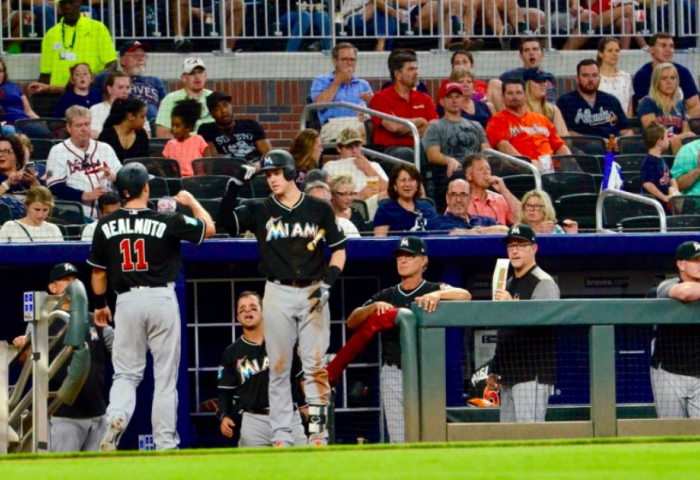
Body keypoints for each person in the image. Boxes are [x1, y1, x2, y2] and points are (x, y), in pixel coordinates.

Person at [217, 149, 347, 447]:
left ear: (290, 173)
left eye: (276, 173)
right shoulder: (261, 208)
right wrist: (236, 183)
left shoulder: (318, 208)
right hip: (276, 291)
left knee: (315, 367)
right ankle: (280, 435)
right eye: (268, 175)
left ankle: (317, 433)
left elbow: (339, 249)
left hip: (314, 289)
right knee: (278, 366)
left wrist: (328, 283)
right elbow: (224, 221)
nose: (272, 179)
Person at [89, 162, 216, 451]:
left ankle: (117, 416)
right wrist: (192, 201)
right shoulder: (165, 219)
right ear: (146, 187)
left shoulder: (105, 224)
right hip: (160, 297)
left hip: (126, 300)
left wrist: (99, 305)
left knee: (126, 374)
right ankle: (164, 444)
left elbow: (98, 273)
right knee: (165, 378)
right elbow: (209, 229)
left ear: (120, 192)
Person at [346, 235, 471, 443]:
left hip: (427, 374)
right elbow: (352, 321)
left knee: (430, 433)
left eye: (409, 256)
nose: (402, 260)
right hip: (394, 371)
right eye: (400, 256)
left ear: (424, 261)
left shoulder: (432, 288)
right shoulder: (388, 294)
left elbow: (465, 295)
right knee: (399, 437)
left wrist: (440, 295)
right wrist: (371, 309)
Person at [11, 263, 112, 452]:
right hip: (63, 416)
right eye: (65, 280)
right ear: (52, 287)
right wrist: (24, 346)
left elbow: (121, 350)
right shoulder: (43, 322)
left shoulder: (94, 319)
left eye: (74, 280)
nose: (71, 284)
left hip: (97, 415)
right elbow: (27, 364)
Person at [217, 291, 308, 447]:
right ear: (238, 318)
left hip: (287, 415)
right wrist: (224, 416)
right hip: (254, 420)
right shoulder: (231, 352)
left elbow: (300, 378)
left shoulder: (284, 341)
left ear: (263, 313)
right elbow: (225, 390)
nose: (247, 311)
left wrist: (305, 406)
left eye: (253, 307)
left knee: (301, 467)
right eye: (242, 309)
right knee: (253, 470)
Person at [493, 224, 560, 423]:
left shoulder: (543, 282)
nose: (514, 250)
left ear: (533, 249)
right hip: (509, 374)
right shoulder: (510, 284)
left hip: (532, 374)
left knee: (530, 438)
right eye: (511, 246)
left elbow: (544, 323)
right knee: (508, 445)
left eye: (520, 245)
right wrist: (496, 368)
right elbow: (504, 330)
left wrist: (512, 306)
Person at [651, 241, 700, 419]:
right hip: (669, 373)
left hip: (699, 375)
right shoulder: (666, 285)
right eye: (695, 260)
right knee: (672, 433)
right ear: (681, 264)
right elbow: (685, 293)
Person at [46, 106, 122, 219]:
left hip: (108, 212)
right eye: (79, 125)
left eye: (87, 124)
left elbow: (122, 176)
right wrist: (84, 195)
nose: (84, 129)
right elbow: (55, 186)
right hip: (76, 213)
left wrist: (115, 177)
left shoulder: (104, 148)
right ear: (69, 128)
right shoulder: (58, 151)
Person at [424, 82, 489, 212]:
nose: (454, 100)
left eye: (458, 96)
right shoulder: (435, 127)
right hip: (449, 172)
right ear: (442, 101)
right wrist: (449, 160)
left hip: (476, 169)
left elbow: (487, 151)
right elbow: (432, 155)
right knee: (460, 173)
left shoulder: (476, 126)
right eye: (449, 97)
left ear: (463, 99)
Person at [28, 0, 117, 94]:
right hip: (59, 95)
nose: (67, 7)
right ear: (59, 7)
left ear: (80, 3)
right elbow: (46, 73)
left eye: (71, 2)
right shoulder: (51, 34)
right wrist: (39, 92)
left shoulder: (98, 28)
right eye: (63, 3)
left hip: (89, 93)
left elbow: (112, 64)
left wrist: (94, 78)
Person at [369, 50, 438, 163]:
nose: (416, 73)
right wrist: (421, 121)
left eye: (416, 69)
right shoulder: (380, 98)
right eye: (411, 69)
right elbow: (394, 127)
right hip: (391, 151)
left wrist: (404, 129)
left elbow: (434, 130)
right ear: (398, 74)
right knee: (407, 154)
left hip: (420, 147)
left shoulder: (424, 98)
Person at [486, 78, 571, 162]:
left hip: (551, 170)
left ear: (525, 96)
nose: (515, 97)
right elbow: (504, 147)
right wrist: (529, 164)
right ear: (502, 97)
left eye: (519, 93)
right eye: (510, 93)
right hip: (522, 171)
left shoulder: (542, 119)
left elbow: (560, 146)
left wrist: (572, 164)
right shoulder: (497, 120)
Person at [310, 42, 373, 143]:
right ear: (335, 62)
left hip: (361, 123)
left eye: (352, 60)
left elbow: (375, 114)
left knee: (369, 129)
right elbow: (319, 105)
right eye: (344, 59)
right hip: (334, 125)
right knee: (361, 132)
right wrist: (338, 81)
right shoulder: (321, 80)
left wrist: (372, 102)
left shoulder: (363, 84)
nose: (349, 63)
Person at [557, 59, 632, 140]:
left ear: (599, 78)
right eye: (585, 75)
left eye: (594, 75)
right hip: (586, 149)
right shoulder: (565, 102)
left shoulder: (611, 100)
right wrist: (600, 142)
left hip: (614, 149)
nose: (590, 79)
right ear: (577, 79)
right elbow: (568, 133)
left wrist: (620, 142)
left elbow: (626, 131)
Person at [93, 41, 168, 121]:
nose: (141, 59)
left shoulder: (156, 81)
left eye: (143, 56)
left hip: (153, 124)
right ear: (122, 60)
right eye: (135, 56)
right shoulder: (110, 78)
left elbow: (167, 107)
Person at [632, 32, 700, 117]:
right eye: (663, 46)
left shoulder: (683, 72)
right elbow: (645, 110)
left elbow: (696, 106)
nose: (668, 50)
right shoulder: (642, 75)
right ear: (651, 50)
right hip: (655, 126)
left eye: (671, 46)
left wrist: (680, 122)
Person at [322, 127, 388, 213]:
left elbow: (390, 190)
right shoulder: (331, 166)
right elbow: (329, 197)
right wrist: (359, 196)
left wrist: (369, 170)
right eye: (349, 146)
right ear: (339, 148)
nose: (354, 151)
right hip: (349, 208)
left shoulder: (373, 165)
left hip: (375, 205)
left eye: (357, 146)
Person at [637, 63, 696, 155]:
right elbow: (653, 135)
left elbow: (686, 132)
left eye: (673, 78)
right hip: (656, 148)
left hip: (677, 147)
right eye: (664, 78)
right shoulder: (648, 103)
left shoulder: (679, 104)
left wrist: (681, 139)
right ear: (657, 81)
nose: (669, 82)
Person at [198, 92, 271, 162]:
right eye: (216, 109)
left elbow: (268, 156)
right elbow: (213, 160)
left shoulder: (251, 125)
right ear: (212, 114)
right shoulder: (207, 130)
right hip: (229, 171)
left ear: (231, 106)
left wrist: (258, 166)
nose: (223, 111)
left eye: (225, 105)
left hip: (257, 170)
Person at [487, 39, 556, 112]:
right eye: (527, 50)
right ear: (521, 56)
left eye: (535, 49)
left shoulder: (547, 78)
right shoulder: (508, 75)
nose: (531, 53)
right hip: (514, 110)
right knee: (493, 83)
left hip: (537, 114)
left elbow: (550, 106)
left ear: (542, 54)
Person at [155, 58, 214, 139]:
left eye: (200, 72)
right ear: (184, 78)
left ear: (205, 75)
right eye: (192, 73)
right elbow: (162, 134)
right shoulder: (170, 99)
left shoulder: (214, 97)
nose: (197, 76)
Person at [426, 178, 509, 235]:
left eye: (463, 195)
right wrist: (486, 231)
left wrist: (475, 231)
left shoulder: (483, 220)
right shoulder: (437, 222)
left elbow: (505, 230)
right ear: (447, 198)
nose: (458, 200)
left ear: (469, 198)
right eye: (453, 195)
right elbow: (455, 234)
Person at [373, 163, 436, 237]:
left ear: (417, 185)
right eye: (403, 180)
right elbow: (380, 242)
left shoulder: (427, 207)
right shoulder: (385, 209)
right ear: (395, 186)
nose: (407, 184)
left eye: (411, 180)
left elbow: (438, 234)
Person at [464, 153, 521, 226]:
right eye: (481, 169)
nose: (486, 172)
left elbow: (523, 217)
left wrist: (504, 191)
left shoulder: (500, 199)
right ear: (469, 176)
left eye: (488, 169)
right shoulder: (460, 201)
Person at [163, 100, 210, 178]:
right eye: (172, 125)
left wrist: (207, 178)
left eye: (177, 126)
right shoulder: (170, 144)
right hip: (177, 182)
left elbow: (209, 161)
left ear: (188, 127)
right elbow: (163, 165)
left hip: (197, 181)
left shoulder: (198, 140)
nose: (173, 129)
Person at [90, 72, 140, 139]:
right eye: (120, 87)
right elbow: (94, 134)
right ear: (109, 89)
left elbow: (146, 134)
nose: (125, 92)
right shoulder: (96, 109)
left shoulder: (137, 110)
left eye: (127, 88)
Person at [97, 98, 149, 163]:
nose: (144, 120)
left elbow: (145, 162)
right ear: (131, 116)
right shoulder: (107, 136)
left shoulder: (141, 135)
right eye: (142, 116)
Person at [640, 121, 678, 211]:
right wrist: (664, 197)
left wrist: (675, 190)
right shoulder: (649, 162)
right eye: (667, 137)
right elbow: (647, 184)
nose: (669, 140)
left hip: (665, 206)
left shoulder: (661, 160)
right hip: (653, 209)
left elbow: (671, 178)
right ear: (660, 142)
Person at [0, 57, 42, 136]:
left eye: (1, 71)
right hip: (7, 124)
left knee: (45, 132)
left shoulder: (13, 86)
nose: (0, 74)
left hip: (24, 122)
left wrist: (41, 122)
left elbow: (28, 111)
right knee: (10, 131)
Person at [524, 68, 569, 137]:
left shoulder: (553, 110)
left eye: (544, 81)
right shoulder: (520, 110)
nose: (543, 84)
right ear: (527, 84)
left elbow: (566, 139)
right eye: (538, 81)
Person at [597, 37, 634, 118]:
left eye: (617, 51)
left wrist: (627, 126)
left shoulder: (626, 77)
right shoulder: (595, 77)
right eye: (610, 50)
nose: (615, 54)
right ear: (600, 53)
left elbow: (629, 106)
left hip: (623, 126)